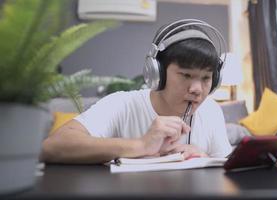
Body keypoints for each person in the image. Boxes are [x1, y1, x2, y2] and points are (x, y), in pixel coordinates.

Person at [41, 19, 232, 164]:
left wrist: (202, 157)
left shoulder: (211, 110)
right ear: (157, 73)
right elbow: (52, 146)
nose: (197, 90)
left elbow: (226, 170)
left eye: (206, 78)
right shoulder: (121, 104)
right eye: (185, 75)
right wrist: (140, 145)